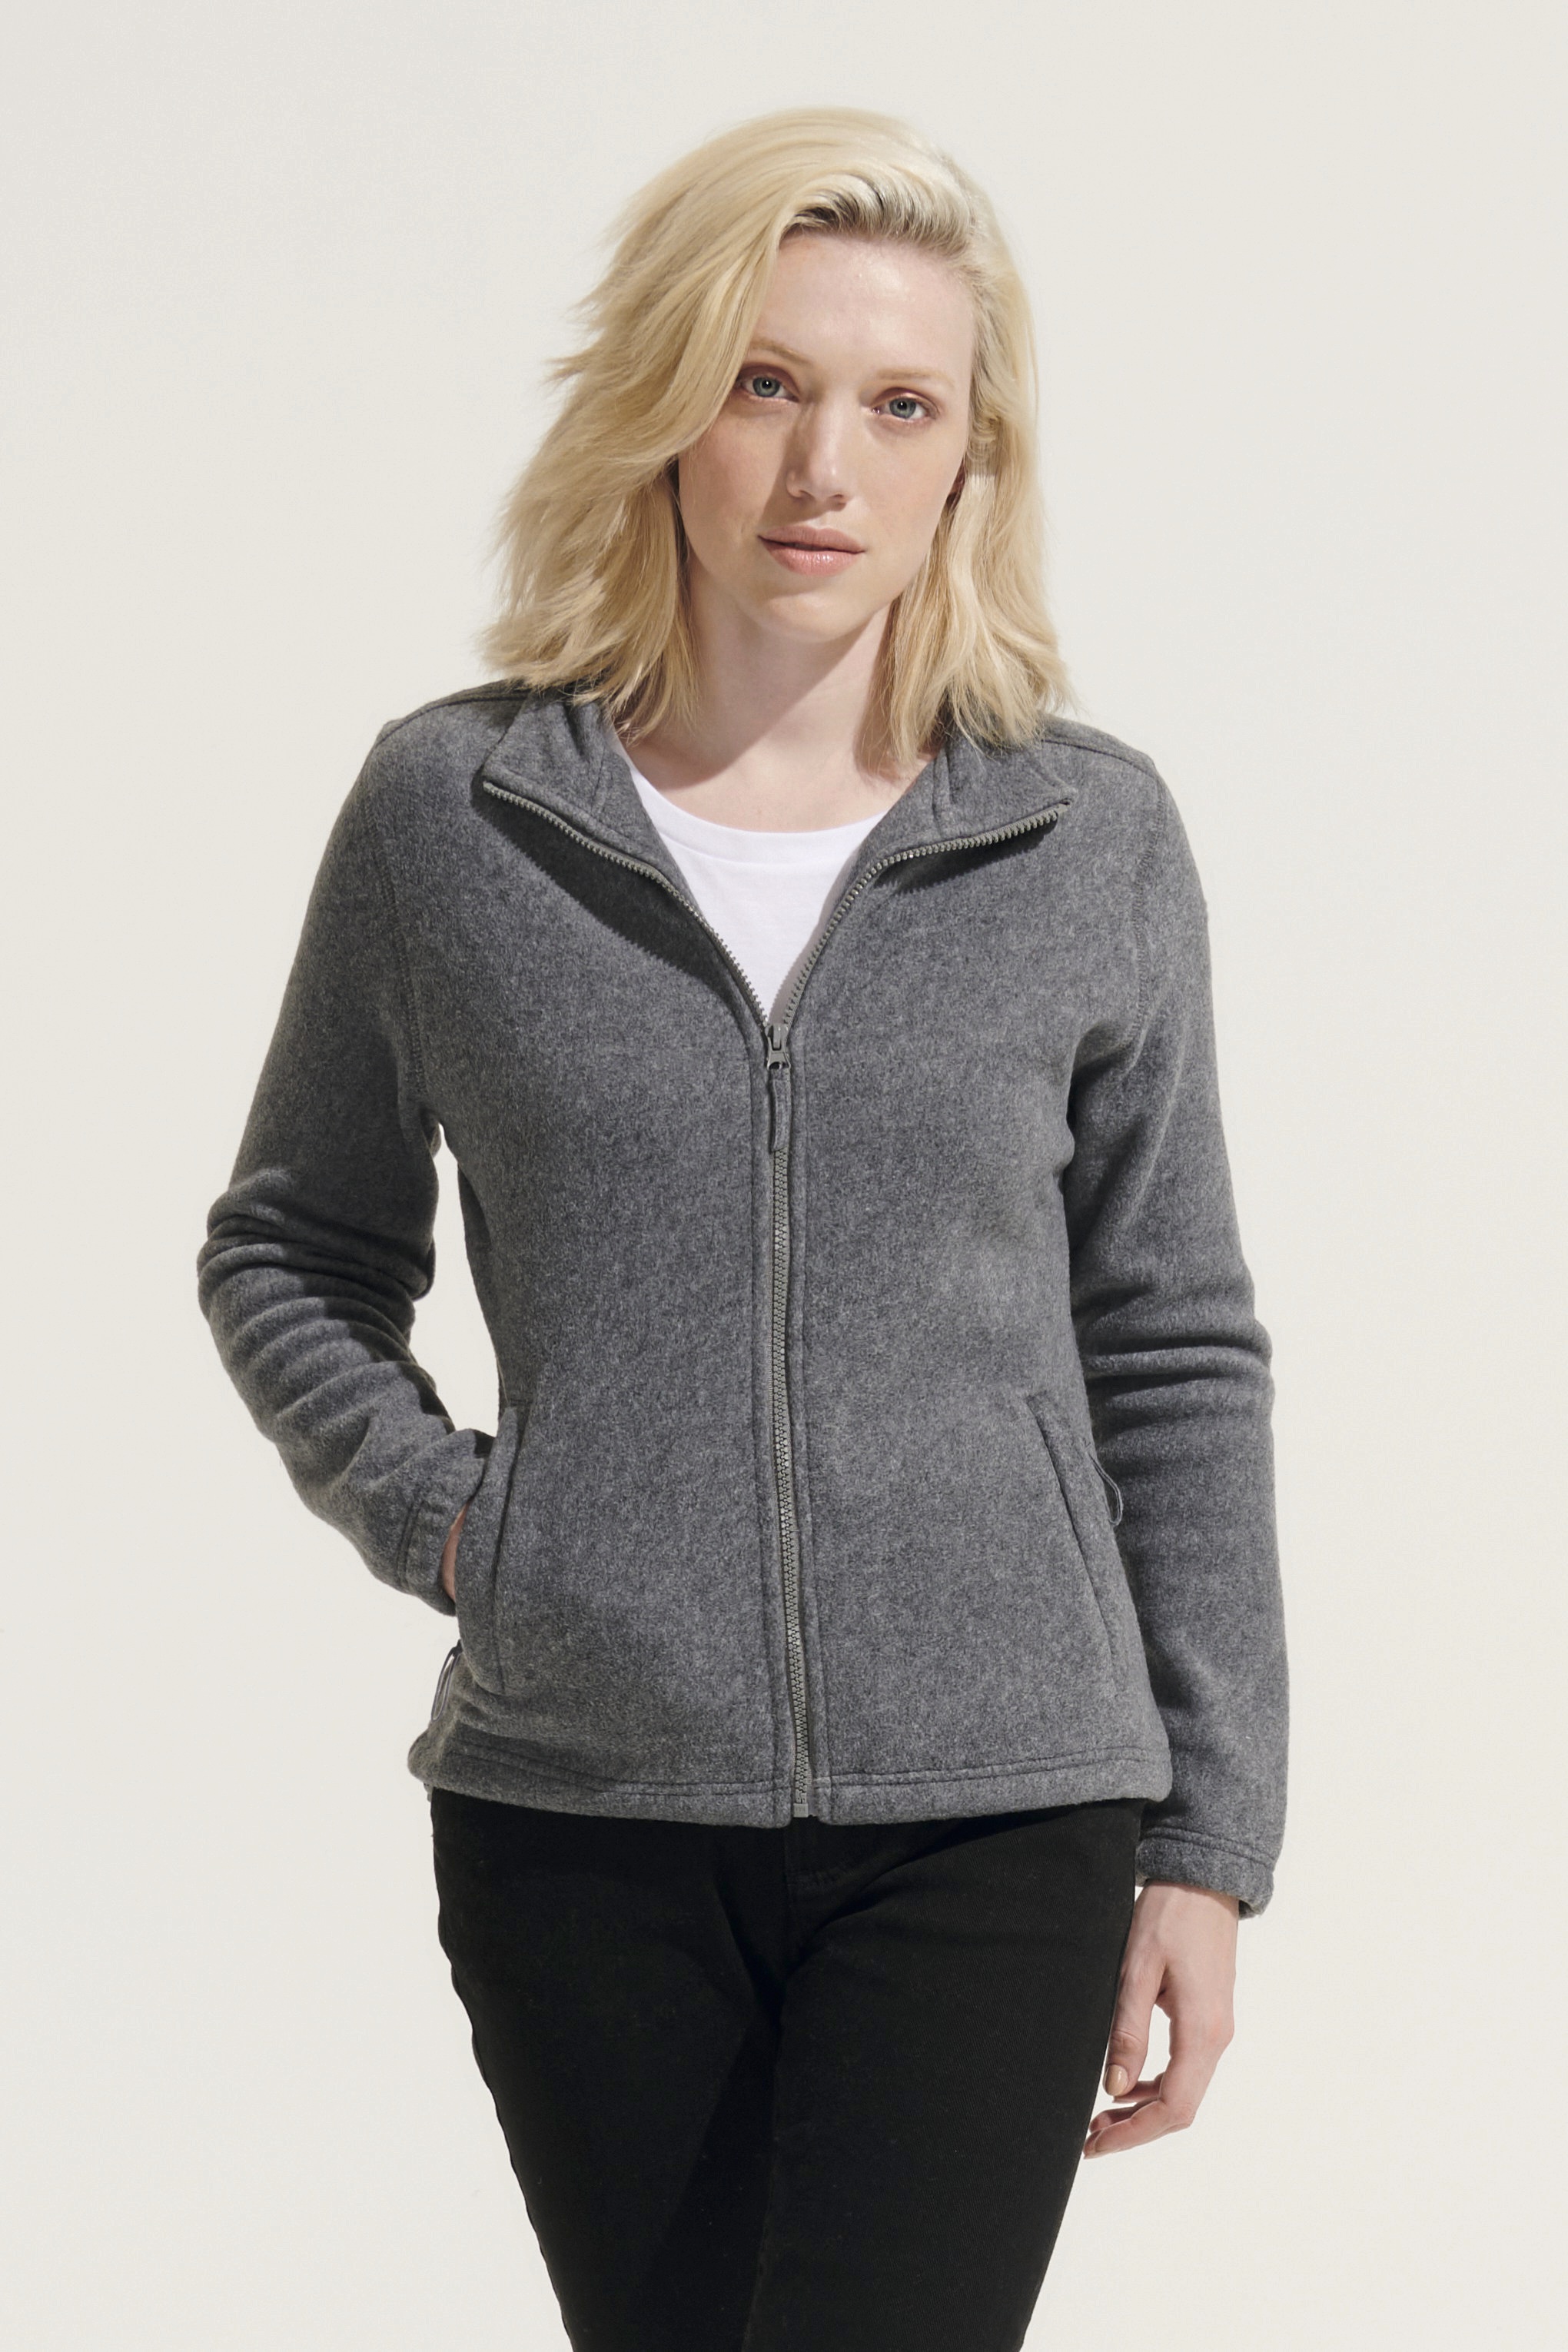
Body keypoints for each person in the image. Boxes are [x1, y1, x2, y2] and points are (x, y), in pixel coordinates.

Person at [196, 106, 1287, 2352]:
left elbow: (1173, 1340)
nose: (823, 467)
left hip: (999, 1809)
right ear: (665, 405)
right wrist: (463, 1527)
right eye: (766, 382)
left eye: (902, 407)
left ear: (972, 460)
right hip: (586, 1813)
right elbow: (293, 1245)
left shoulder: (1083, 838)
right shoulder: (456, 815)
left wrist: (1209, 1832)